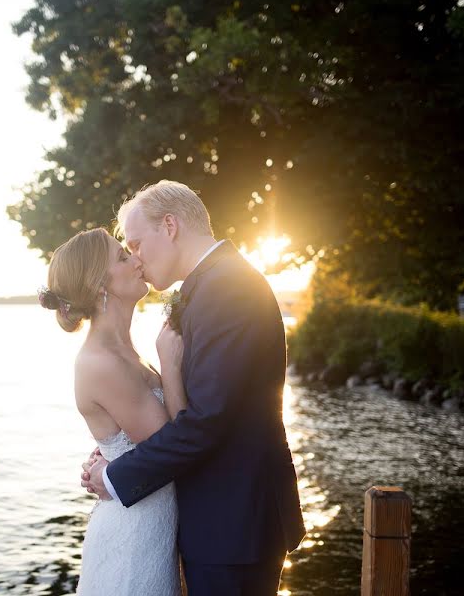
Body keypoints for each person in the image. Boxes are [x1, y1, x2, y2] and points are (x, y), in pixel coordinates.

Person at [80, 180, 307, 595]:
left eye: (136, 243)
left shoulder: (226, 288)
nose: (136, 258)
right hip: (225, 518)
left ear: (169, 226)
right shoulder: (211, 285)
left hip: (235, 520)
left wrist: (115, 476)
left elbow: (207, 420)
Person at [40, 226, 185, 595]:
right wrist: (171, 366)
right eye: (122, 257)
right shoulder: (99, 362)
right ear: (99, 287)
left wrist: (109, 464)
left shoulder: (124, 353)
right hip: (132, 543)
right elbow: (173, 447)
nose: (136, 259)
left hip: (152, 528)